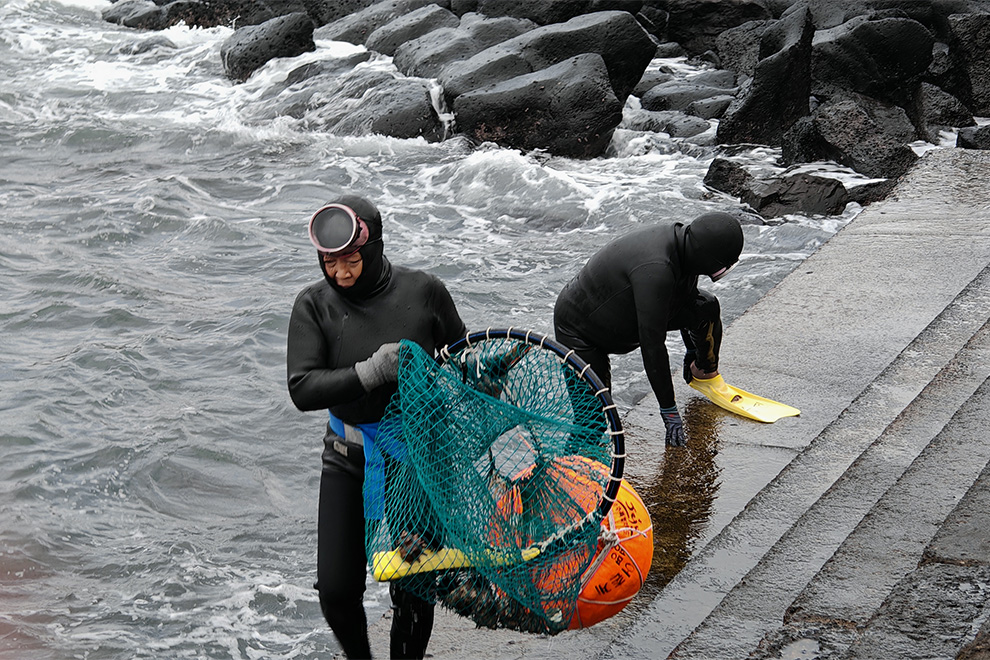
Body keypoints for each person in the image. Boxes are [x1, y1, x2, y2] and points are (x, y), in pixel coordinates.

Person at [286, 195, 467, 659]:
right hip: (347, 458)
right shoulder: (313, 305)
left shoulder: (424, 292)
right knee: (336, 591)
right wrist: (372, 371)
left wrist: (486, 370)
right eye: (330, 263)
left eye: (350, 260)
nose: (341, 273)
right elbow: (303, 389)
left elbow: (462, 360)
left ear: (374, 247)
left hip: (418, 460)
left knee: (412, 587)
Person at [553, 212, 744, 447]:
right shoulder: (657, 269)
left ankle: (703, 371)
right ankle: (566, 467)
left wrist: (693, 351)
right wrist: (669, 411)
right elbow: (652, 346)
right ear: (706, 257)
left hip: (625, 317)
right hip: (581, 330)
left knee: (707, 307)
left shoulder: (687, 246)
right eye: (722, 267)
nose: (722, 273)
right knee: (593, 420)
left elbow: (684, 299)